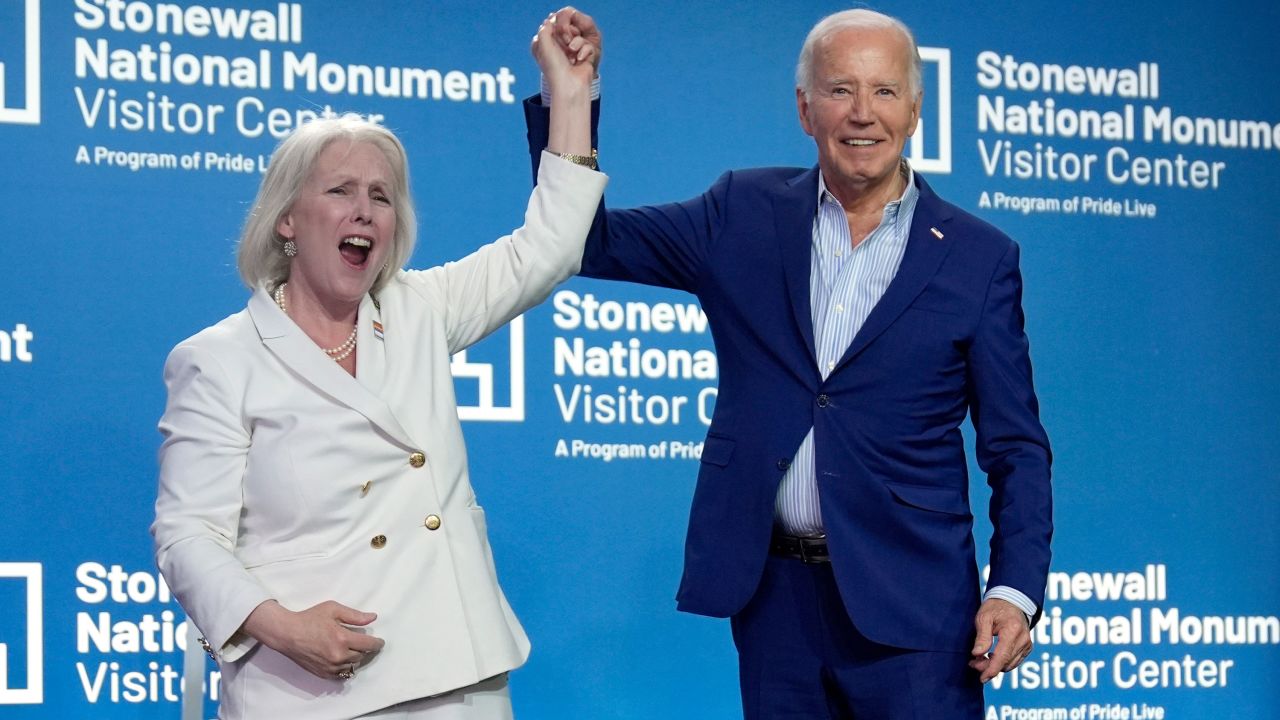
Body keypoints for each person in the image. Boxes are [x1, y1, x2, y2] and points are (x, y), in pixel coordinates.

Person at [527, 7, 1052, 717]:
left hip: (918, 610)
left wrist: (1014, 590)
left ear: (916, 109)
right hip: (774, 604)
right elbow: (585, 243)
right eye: (840, 90)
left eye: (885, 91)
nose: (862, 114)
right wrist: (571, 98)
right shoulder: (741, 209)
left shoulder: (980, 257)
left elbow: (1016, 447)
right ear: (805, 109)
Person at [151, 13, 604, 720]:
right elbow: (187, 538)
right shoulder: (217, 361)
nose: (364, 210)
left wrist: (570, 95)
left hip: (457, 674)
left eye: (381, 196)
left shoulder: (420, 309)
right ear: (287, 220)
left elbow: (549, 247)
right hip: (307, 688)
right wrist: (283, 626)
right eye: (340, 191)